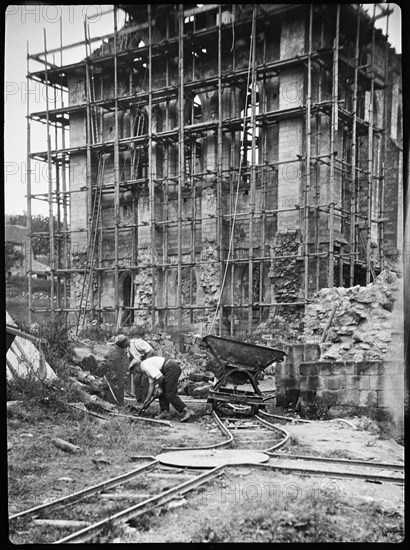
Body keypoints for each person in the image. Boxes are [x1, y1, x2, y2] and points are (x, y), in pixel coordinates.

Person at [135, 355, 195, 422]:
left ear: (137, 367)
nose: (135, 373)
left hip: (171, 368)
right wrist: (147, 400)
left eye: (134, 371)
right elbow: (151, 385)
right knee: (162, 392)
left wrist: (159, 388)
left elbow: (160, 377)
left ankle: (187, 410)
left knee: (170, 394)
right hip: (168, 370)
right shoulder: (146, 369)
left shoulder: (145, 365)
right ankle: (165, 412)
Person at [113, 334, 155, 401]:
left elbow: (151, 351)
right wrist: (131, 368)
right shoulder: (128, 348)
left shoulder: (137, 343)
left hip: (148, 362)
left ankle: (145, 401)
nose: (121, 347)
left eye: (121, 345)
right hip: (140, 365)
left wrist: (146, 363)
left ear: (124, 342)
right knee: (136, 379)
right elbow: (130, 359)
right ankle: (139, 400)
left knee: (144, 380)